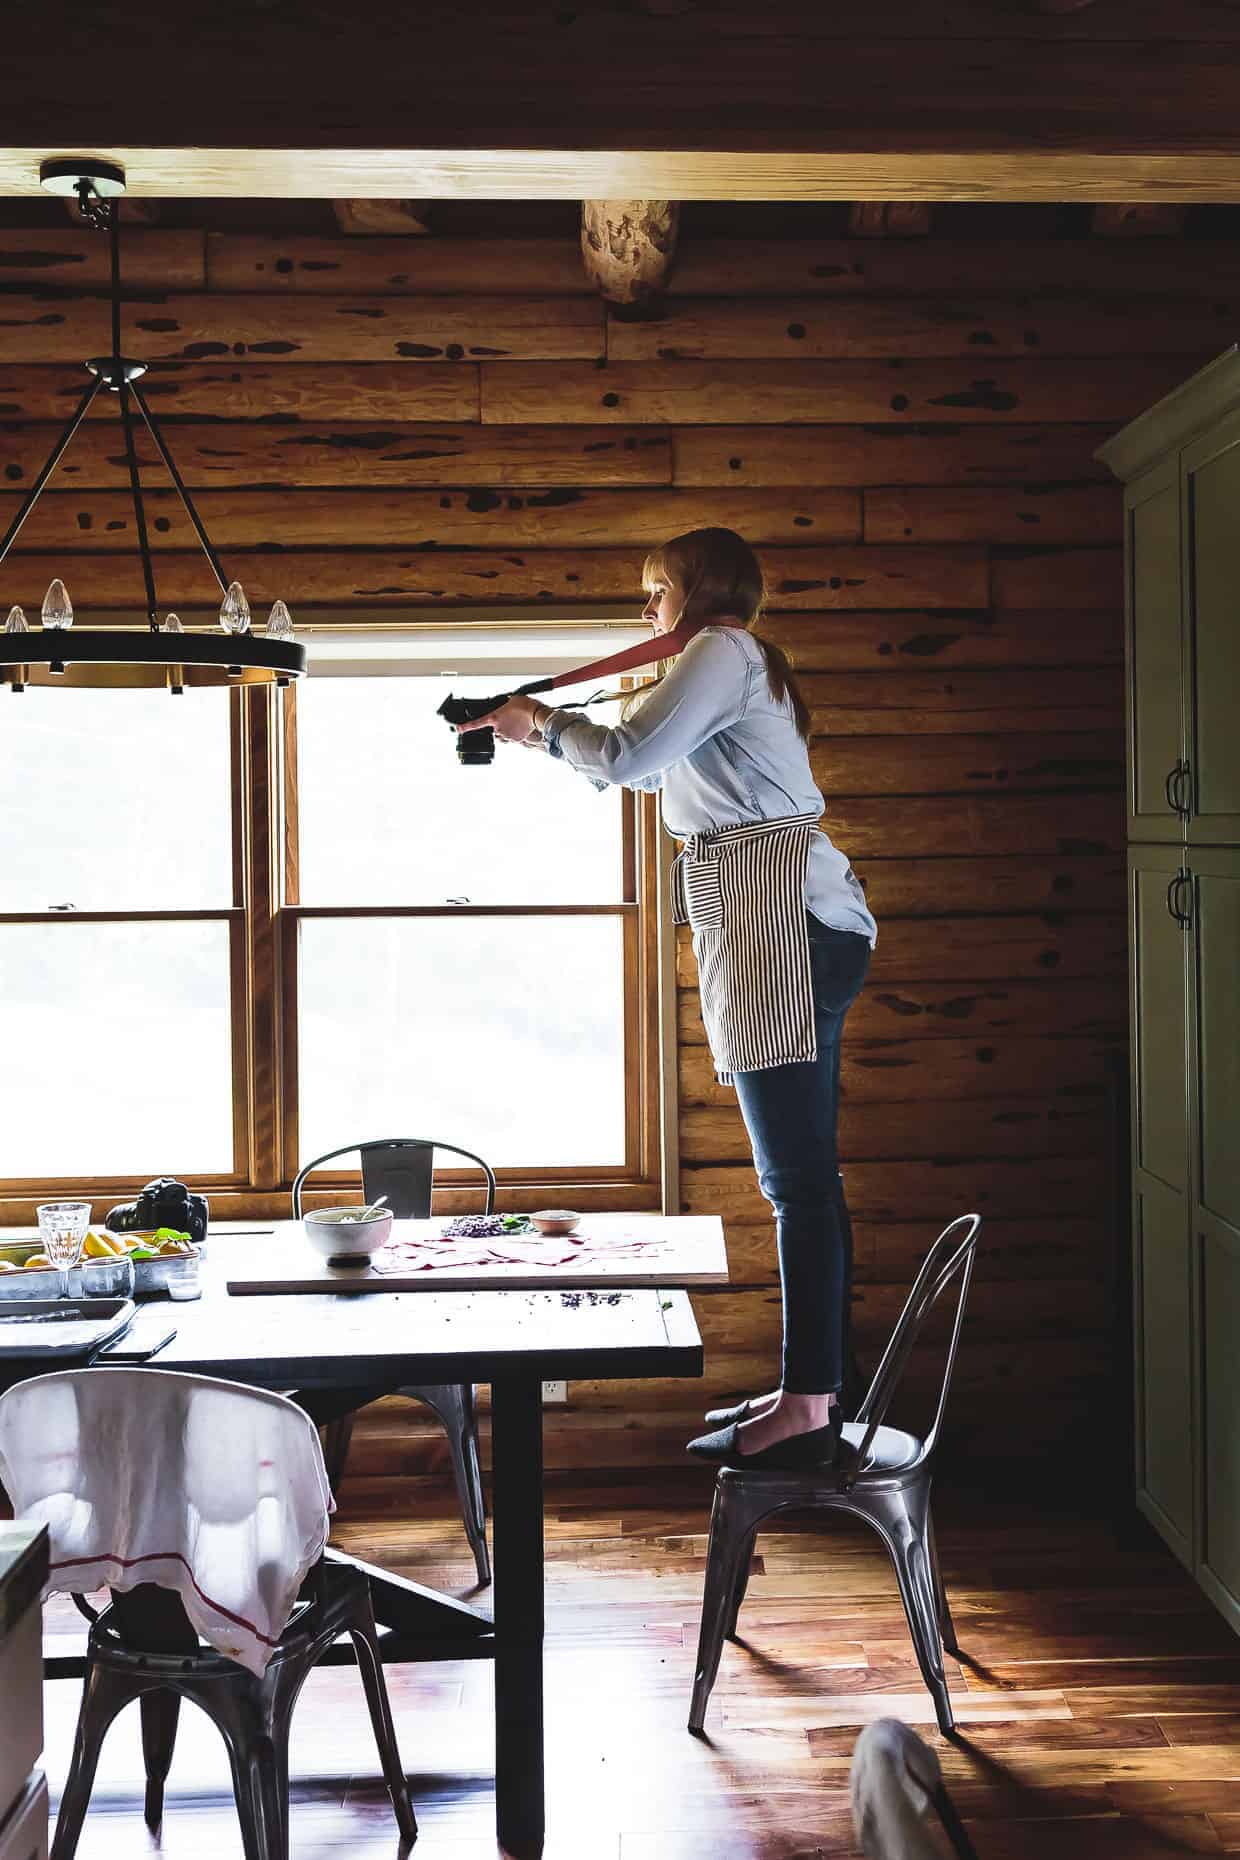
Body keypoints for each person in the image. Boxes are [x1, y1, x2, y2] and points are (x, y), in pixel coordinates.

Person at [454, 528, 877, 1469]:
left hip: (788, 928)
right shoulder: (723, 663)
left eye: (656, 590)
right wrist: (543, 731)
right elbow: (631, 752)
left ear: (700, 588)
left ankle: (811, 1404)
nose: (646, 607)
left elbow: (625, 757)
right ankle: (819, 1387)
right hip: (786, 920)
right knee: (804, 1179)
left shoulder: (719, 650)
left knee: (796, 1182)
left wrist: (543, 727)